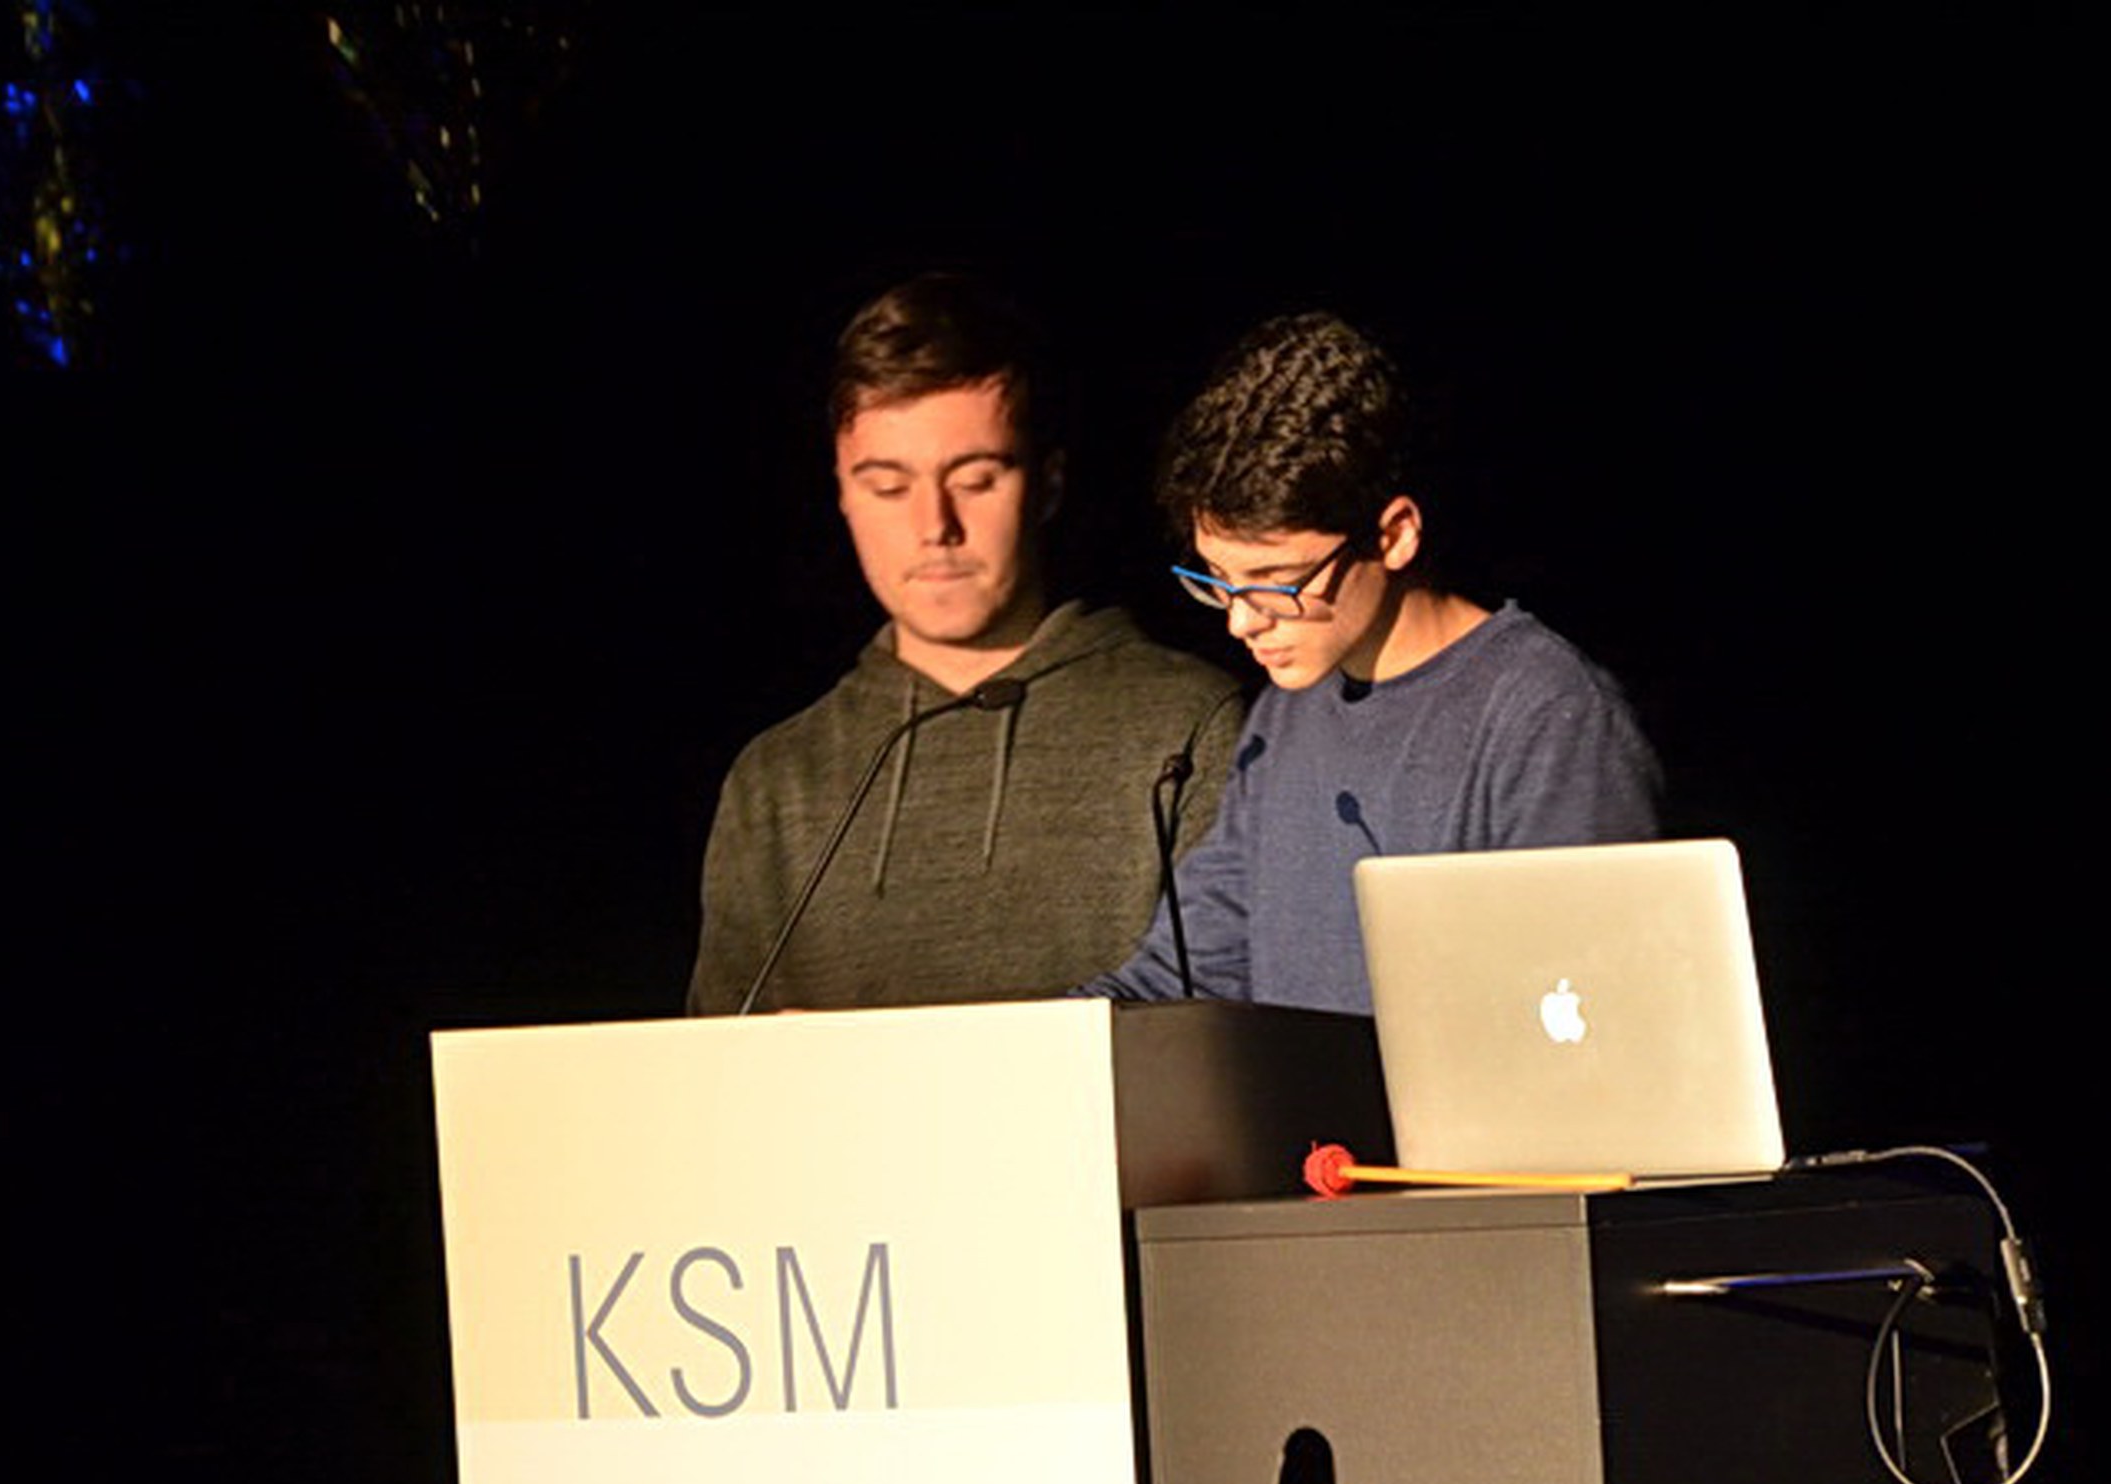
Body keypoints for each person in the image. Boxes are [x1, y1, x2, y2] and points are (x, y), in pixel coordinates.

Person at [687, 275, 1248, 1015]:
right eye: (889, 487)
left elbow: (1230, 1046)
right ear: (842, 493)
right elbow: (719, 1072)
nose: (935, 526)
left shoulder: (1189, 728)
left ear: (1047, 485)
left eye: (976, 480)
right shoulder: (775, 779)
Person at [1085, 312, 1662, 1014]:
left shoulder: (1544, 715)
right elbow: (1188, 971)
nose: (1241, 620)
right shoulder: (1284, 715)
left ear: (1394, 536)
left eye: (1275, 582)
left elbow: (1578, 1015)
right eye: (1218, 580)